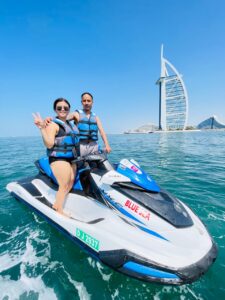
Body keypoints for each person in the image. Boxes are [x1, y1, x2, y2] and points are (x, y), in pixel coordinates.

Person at [33, 98, 79, 217]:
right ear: (55, 110)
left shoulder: (70, 123)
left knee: (70, 183)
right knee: (63, 185)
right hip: (59, 159)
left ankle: (57, 203)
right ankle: (58, 211)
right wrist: (42, 128)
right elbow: (49, 143)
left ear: (69, 109)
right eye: (59, 108)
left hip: (71, 158)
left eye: (65, 108)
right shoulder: (52, 124)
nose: (62, 110)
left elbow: (76, 115)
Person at [45, 92, 111, 157]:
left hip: (94, 145)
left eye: (88, 101)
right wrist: (50, 118)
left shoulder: (95, 117)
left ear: (92, 102)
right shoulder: (76, 114)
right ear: (81, 102)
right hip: (81, 145)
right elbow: (62, 117)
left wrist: (107, 145)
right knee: (83, 165)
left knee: (97, 164)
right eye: (84, 101)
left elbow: (102, 132)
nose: (86, 103)